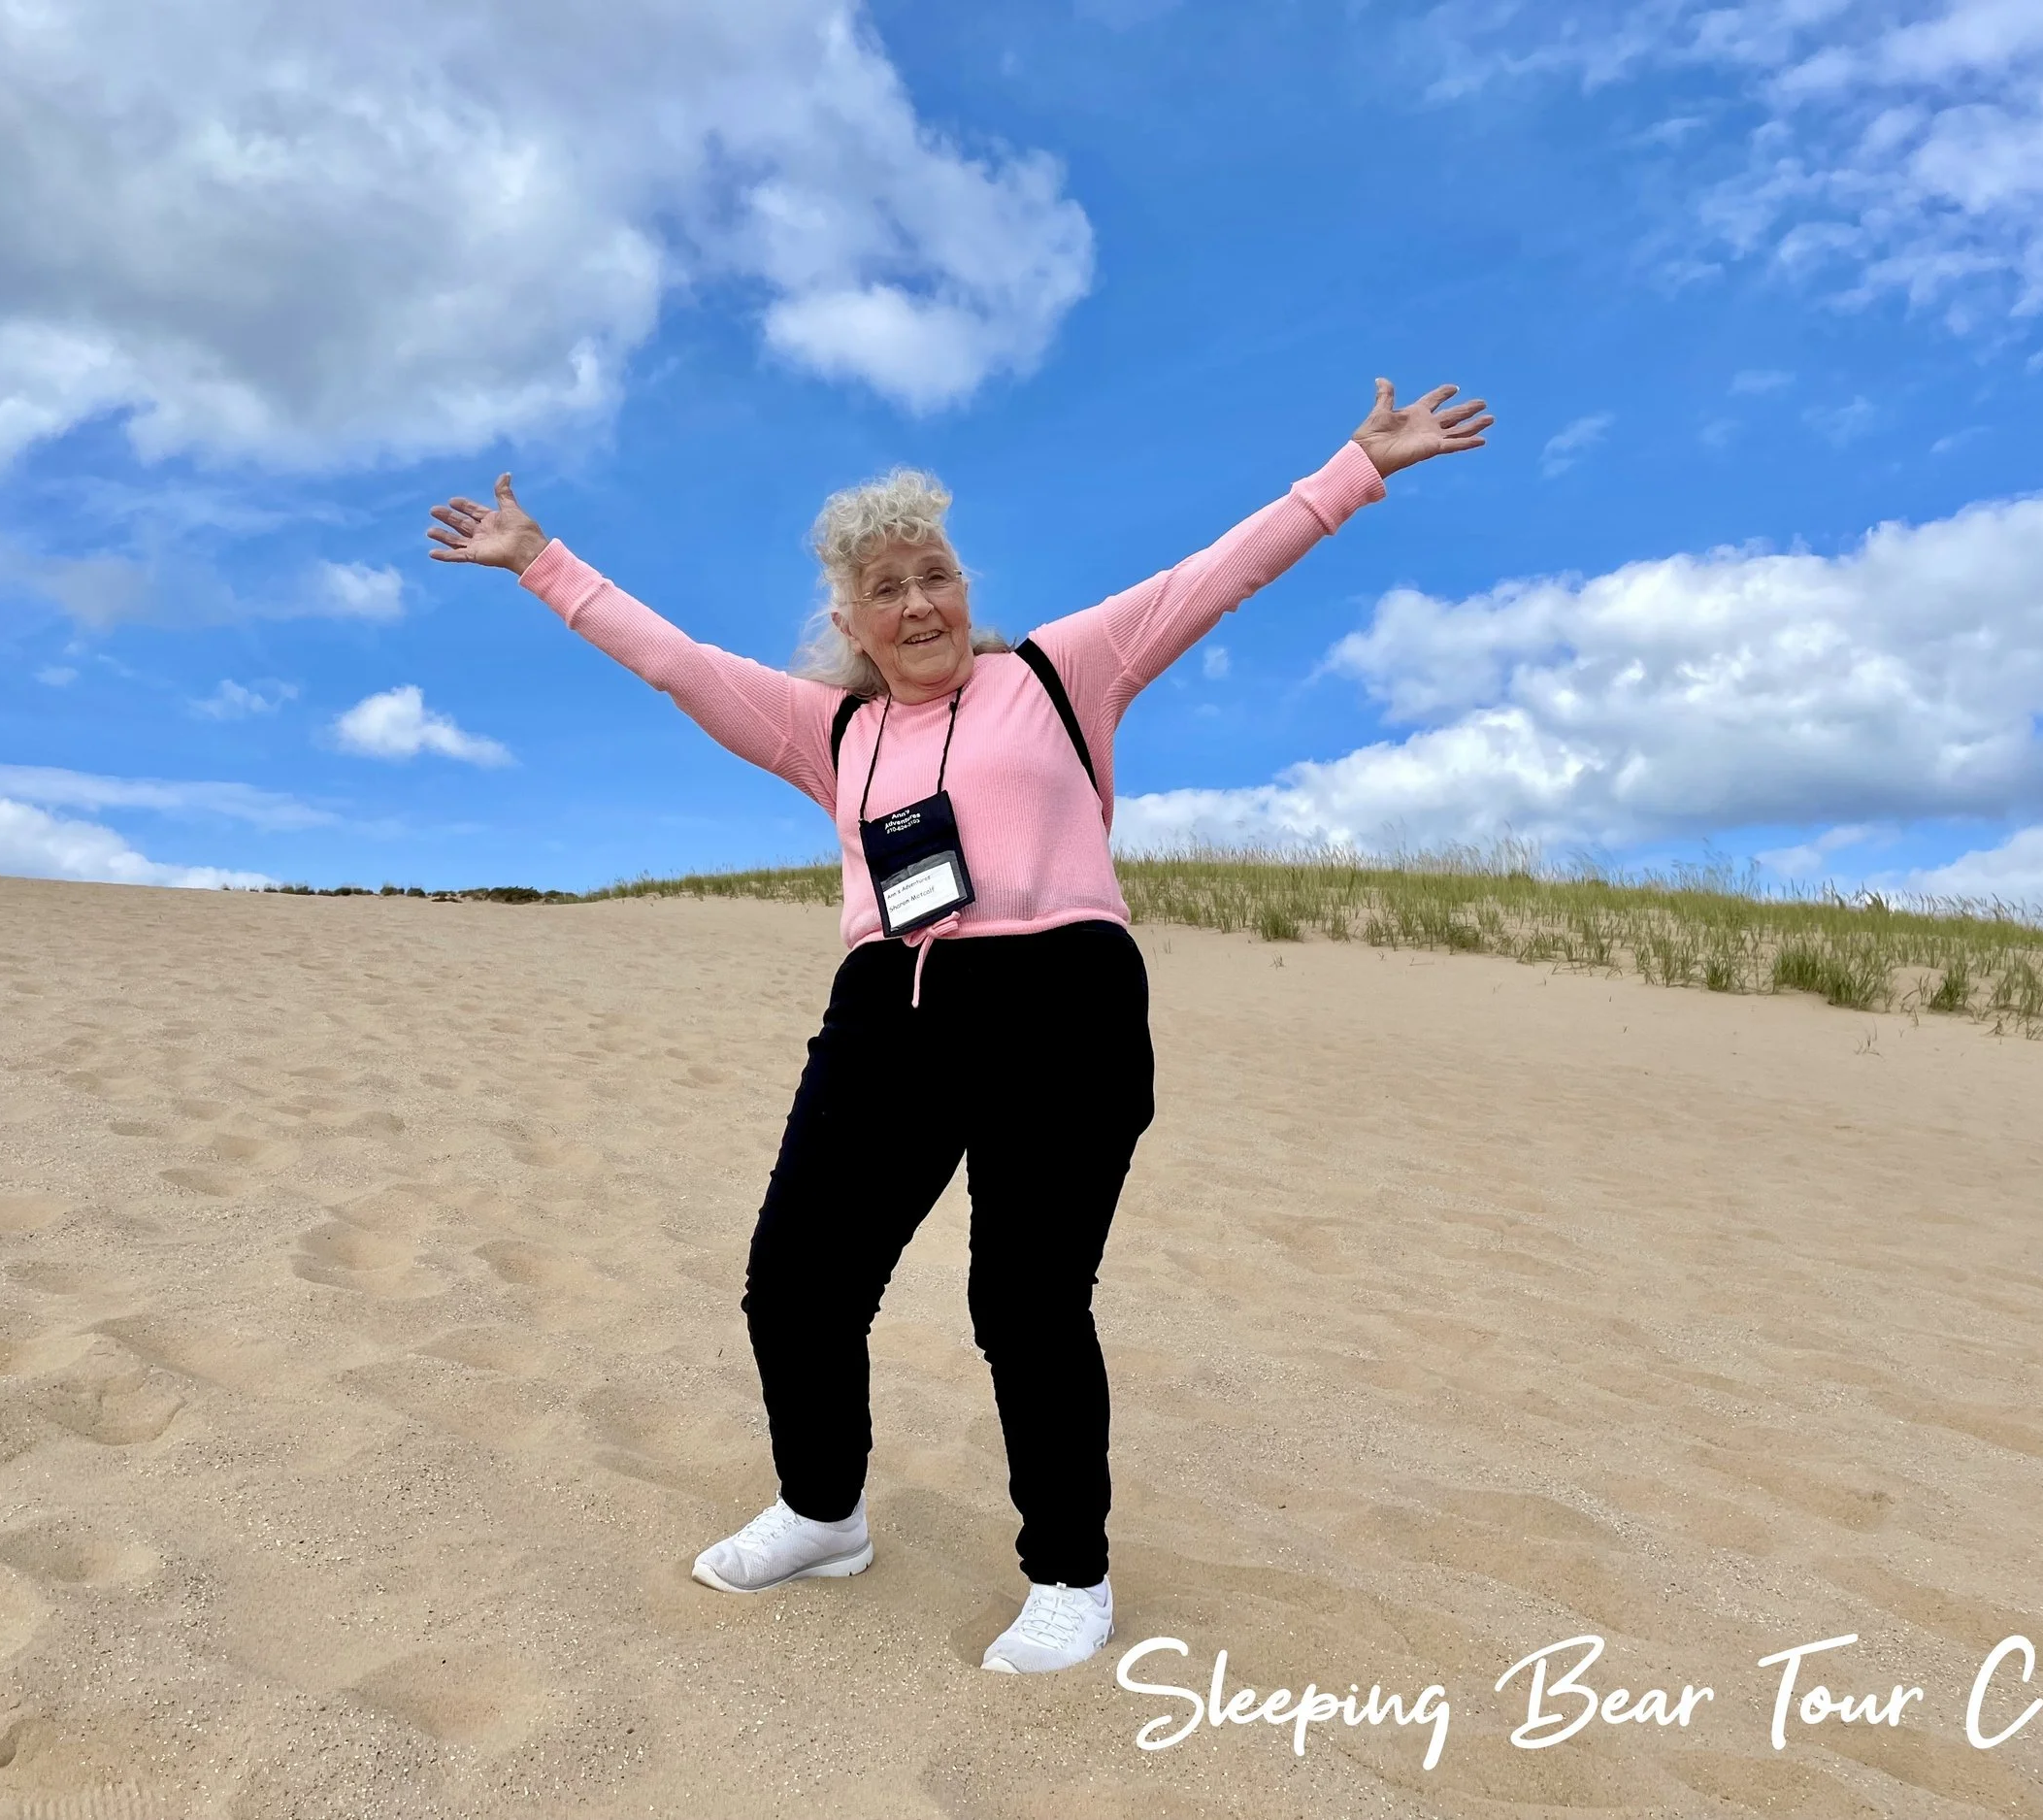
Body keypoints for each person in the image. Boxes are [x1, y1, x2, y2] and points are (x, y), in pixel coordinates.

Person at [425, 379, 1492, 1673]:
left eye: (933, 573)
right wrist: (543, 560)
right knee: (795, 1283)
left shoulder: (1060, 672)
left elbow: (1217, 573)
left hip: (1064, 1005)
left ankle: (1071, 1572)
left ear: (963, 583)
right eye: (887, 588)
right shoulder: (832, 731)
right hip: (889, 1011)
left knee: (1025, 1299)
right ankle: (824, 1511)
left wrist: (1354, 468)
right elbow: (675, 662)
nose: (918, 602)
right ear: (851, 621)